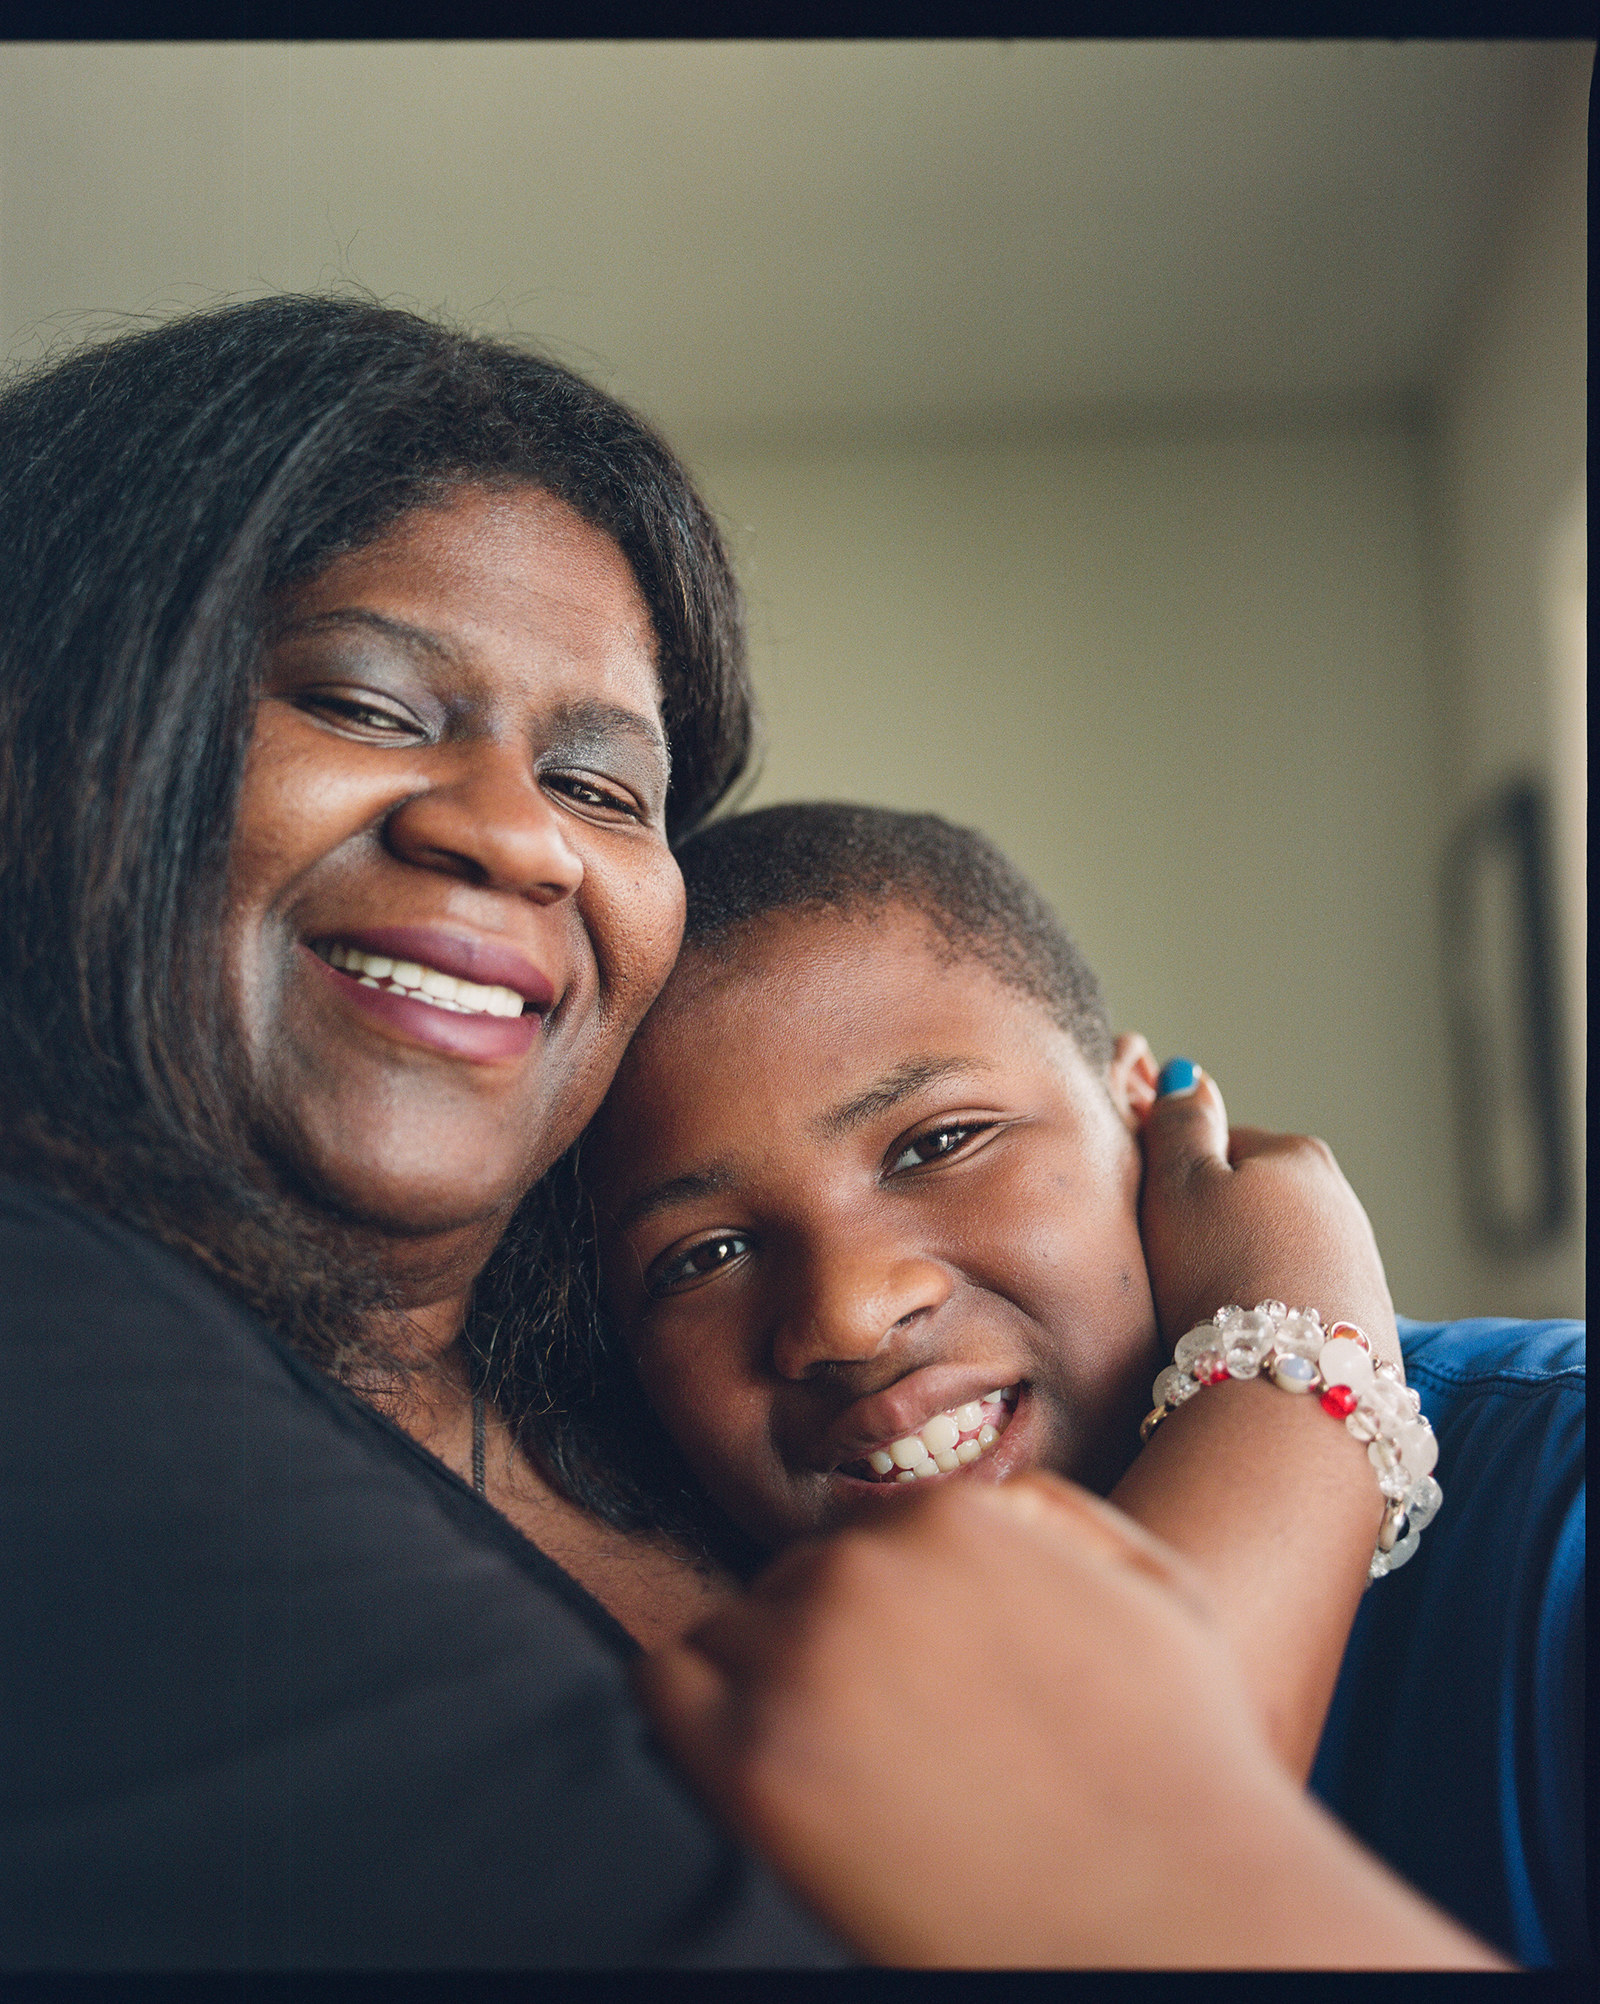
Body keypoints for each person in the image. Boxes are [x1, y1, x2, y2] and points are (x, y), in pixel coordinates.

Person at [0, 298, 1521, 1970]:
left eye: (601, 784)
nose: (518, 835)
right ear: (50, 725)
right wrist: (1293, 1380)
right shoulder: (63, 1358)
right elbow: (1042, 1889)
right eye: (366, 703)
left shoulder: (697, 1413)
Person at [578, 802, 1586, 1969]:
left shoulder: (1557, 1500)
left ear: (1142, 1110)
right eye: (702, 1257)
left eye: (936, 1143)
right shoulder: (712, 1721)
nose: (849, 1313)